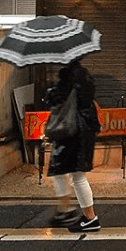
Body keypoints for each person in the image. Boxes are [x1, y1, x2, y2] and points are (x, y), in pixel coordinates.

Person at [46, 58, 102, 232]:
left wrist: (50, 90)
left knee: (77, 176)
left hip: (74, 131)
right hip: (82, 129)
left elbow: (55, 98)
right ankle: (67, 209)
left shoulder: (70, 77)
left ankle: (90, 217)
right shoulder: (84, 75)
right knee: (62, 171)